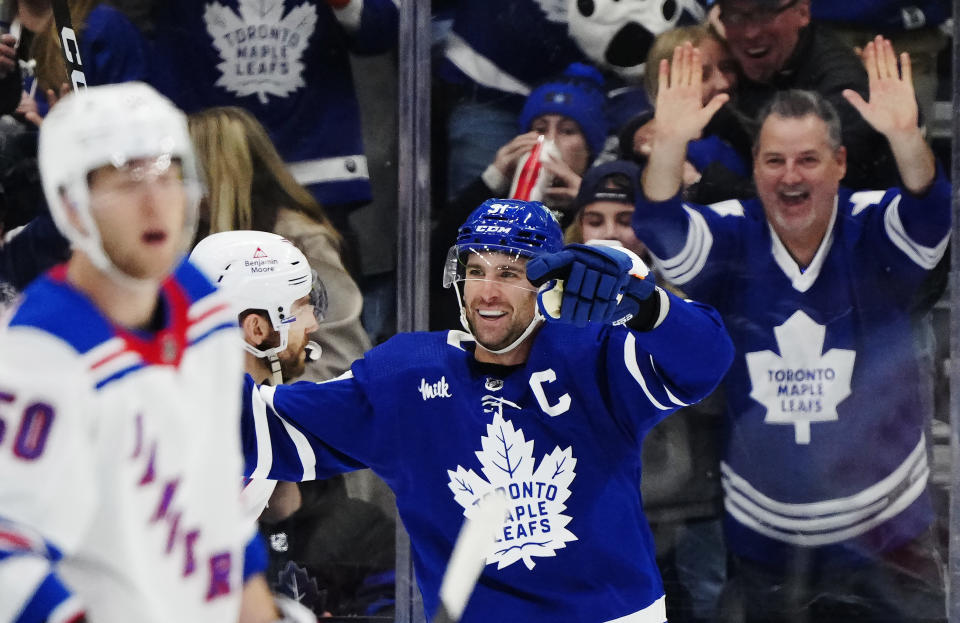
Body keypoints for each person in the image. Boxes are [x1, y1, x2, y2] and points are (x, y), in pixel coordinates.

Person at [239, 196, 735, 621]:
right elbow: (257, 429)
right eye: (475, 270)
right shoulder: (405, 378)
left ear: (550, 283)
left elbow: (707, 360)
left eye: (510, 273)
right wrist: (196, 325)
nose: (487, 292)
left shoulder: (594, 354)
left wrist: (646, 306)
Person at [633, 39, 949, 621]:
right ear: (755, 168)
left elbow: (930, 214)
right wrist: (671, 142)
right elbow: (661, 225)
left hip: (887, 545)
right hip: (764, 543)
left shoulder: (872, 228)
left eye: (808, 159)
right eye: (774, 161)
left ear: (841, 164)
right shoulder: (732, 234)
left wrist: (906, 136)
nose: (790, 176)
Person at [0, 83, 312, 623]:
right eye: (126, 183)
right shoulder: (39, 353)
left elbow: (213, 500)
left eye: (169, 177)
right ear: (71, 205)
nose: (155, 202)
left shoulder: (204, 310)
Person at [566, 160, 728, 623]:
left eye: (625, 219)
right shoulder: (548, 303)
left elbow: (714, 394)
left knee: (699, 604)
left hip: (688, 504)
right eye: (595, 220)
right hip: (596, 505)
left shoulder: (690, 288)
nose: (611, 233)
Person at [188, 106, 371, 383]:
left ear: (214, 174)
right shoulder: (190, 243)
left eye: (186, 174)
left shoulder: (301, 241)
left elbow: (340, 358)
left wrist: (268, 402)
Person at [712, 0, 899, 190]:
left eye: (766, 14)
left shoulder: (842, 86)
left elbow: (813, 193)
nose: (750, 32)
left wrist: (701, 185)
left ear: (802, 12)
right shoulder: (724, 63)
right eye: (735, 15)